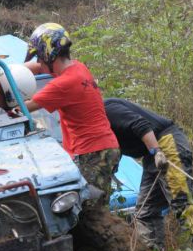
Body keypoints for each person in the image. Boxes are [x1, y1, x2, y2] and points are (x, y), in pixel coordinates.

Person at [102, 97, 193, 251]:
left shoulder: (106, 109)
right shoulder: (95, 126)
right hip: (150, 156)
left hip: (165, 144)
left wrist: (157, 151)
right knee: (145, 212)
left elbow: (140, 125)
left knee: (181, 201)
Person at [21, 23, 120, 202]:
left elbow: (24, 107)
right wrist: (16, 70)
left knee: (87, 211)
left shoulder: (63, 84)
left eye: (39, 58)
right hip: (104, 147)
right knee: (90, 207)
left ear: (47, 55)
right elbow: (39, 68)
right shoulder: (78, 69)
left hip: (93, 151)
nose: (38, 64)